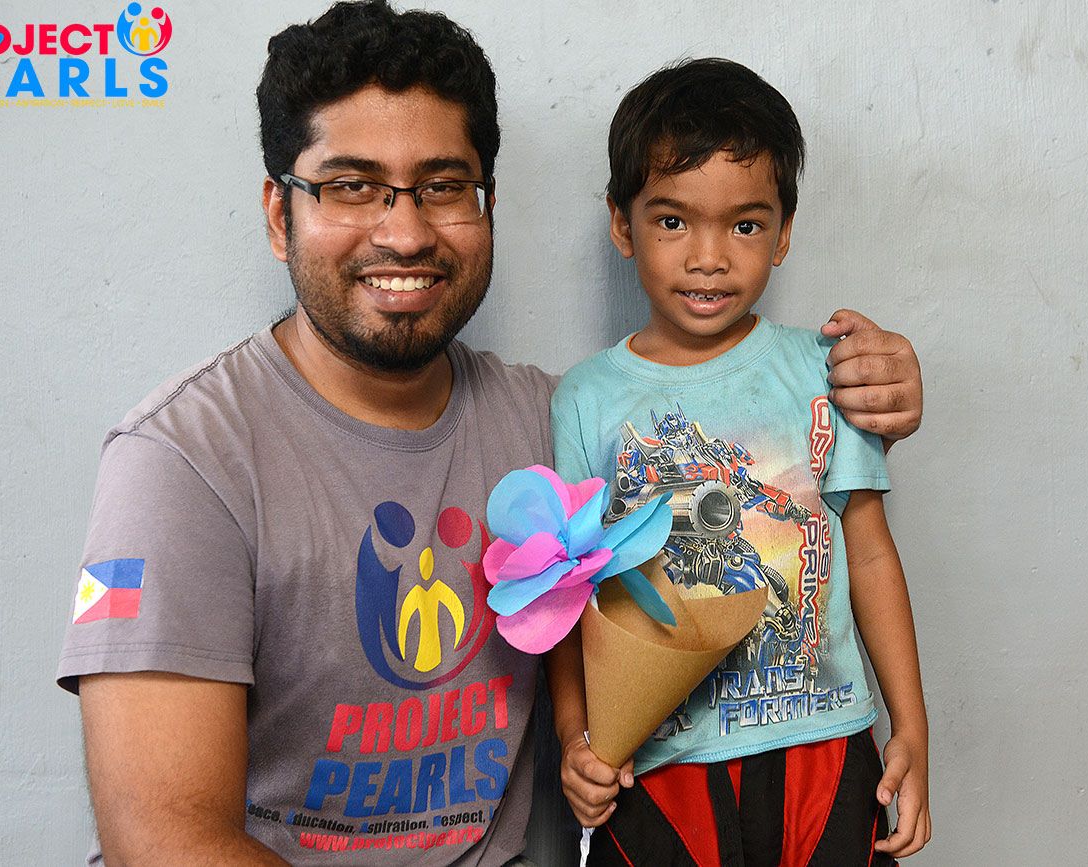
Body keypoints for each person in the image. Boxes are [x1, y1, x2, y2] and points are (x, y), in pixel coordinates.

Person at [55, 3, 925, 864]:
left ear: (488, 207)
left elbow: (721, 428)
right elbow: (162, 841)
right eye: (351, 185)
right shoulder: (184, 462)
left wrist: (872, 380)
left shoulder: (548, 417)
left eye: (442, 187)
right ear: (282, 214)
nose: (404, 231)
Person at [547, 59, 931, 864]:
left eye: (746, 226)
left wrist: (912, 723)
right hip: (660, 763)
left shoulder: (825, 370)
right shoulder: (584, 399)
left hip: (824, 744)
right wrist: (576, 737)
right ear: (622, 224)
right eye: (673, 221)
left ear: (784, 231)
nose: (709, 257)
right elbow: (568, 595)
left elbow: (869, 551)